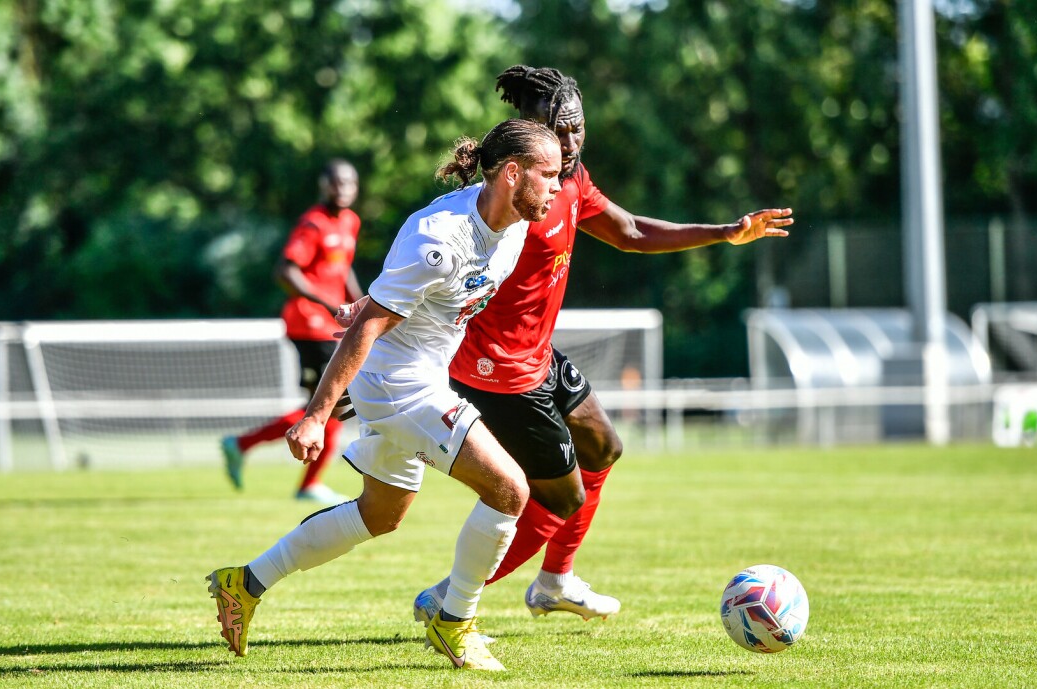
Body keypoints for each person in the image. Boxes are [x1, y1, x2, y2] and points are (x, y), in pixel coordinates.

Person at [412, 65, 794, 626]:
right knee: (558, 497)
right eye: (557, 131)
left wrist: (725, 232)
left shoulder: (570, 179)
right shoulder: (506, 200)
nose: (570, 143)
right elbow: (434, 273)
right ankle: (451, 595)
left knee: (603, 449)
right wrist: (386, 357)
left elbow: (630, 231)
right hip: (498, 373)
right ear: (528, 131)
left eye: (578, 129)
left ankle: (554, 582)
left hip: (538, 358)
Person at [206, 119, 564, 672]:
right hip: (401, 385)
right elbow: (368, 325)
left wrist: (370, 320)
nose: (557, 187)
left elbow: (408, 305)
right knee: (509, 489)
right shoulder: (440, 236)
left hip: (413, 379)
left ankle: (245, 583)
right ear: (512, 173)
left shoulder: (514, 225)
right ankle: (454, 621)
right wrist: (316, 415)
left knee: (379, 514)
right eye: (550, 174)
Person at [220, 159, 362, 504]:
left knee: (330, 404)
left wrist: (362, 306)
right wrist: (329, 304)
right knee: (332, 403)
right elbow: (286, 271)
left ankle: (246, 446)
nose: (342, 189)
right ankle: (303, 481)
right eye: (336, 182)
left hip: (330, 324)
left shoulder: (350, 221)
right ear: (323, 185)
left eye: (349, 183)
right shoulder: (313, 223)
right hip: (309, 323)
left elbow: (342, 268)